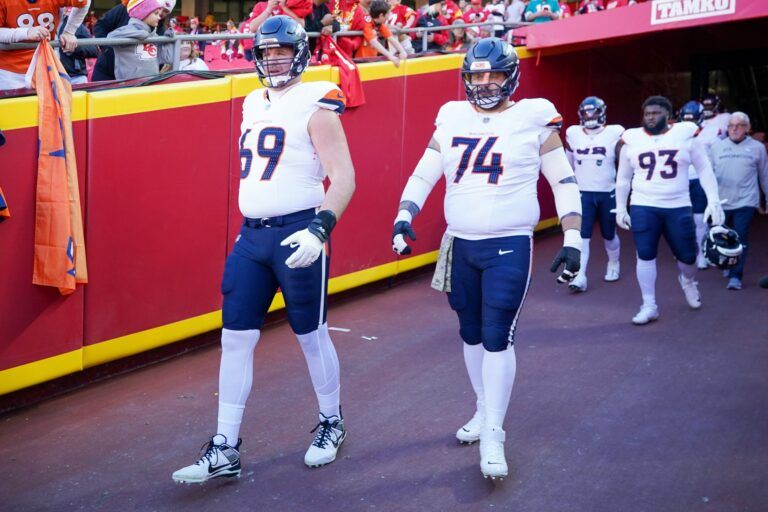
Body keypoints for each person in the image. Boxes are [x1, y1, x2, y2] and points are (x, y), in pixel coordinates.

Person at [172, 15, 355, 484]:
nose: (273, 59)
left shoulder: (317, 101)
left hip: (299, 233)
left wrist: (320, 229)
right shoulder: (252, 102)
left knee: (310, 334)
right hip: (252, 236)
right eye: (265, 52)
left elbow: (345, 178)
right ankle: (225, 448)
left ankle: (331, 423)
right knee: (234, 338)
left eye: (281, 51)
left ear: (299, 52)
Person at [391, 38, 582, 479]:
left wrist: (574, 239)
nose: (485, 82)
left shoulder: (535, 117)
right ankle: (483, 410)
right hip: (460, 243)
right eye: (477, 75)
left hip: (509, 243)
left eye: (494, 74)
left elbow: (564, 181)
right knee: (471, 332)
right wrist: (404, 214)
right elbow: (426, 170)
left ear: (511, 76)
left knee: (498, 334)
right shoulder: (452, 115)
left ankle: (494, 432)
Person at [614, 96, 725, 325]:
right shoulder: (632, 139)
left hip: (677, 205)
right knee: (644, 254)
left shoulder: (685, 135)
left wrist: (713, 200)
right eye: (647, 113)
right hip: (643, 205)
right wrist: (620, 208)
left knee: (688, 256)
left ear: (668, 115)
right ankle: (649, 304)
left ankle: (687, 280)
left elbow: (704, 170)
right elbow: (623, 179)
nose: (651, 117)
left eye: (656, 113)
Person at [565, 96, 624, 292]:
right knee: (583, 236)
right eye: (586, 112)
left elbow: (625, 162)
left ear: (602, 112)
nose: (590, 116)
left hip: (607, 192)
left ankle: (614, 263)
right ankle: (580, 275)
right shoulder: (573, 133)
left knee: (609, 234)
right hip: (584, 193)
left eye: (594, 112)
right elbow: (568, 164)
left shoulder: (615, 132)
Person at [710, 112, 768, 290]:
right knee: (723, 237)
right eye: (731, 125)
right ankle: (728, 263)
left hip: (746, 201)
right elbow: (708, 175)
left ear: (748, 128)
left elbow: (764, 175)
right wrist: (709, 199)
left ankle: (736, 276)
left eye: (739, 125)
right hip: (721, 202)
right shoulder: (716, 147)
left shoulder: (757, 148)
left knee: (740, 236)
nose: (734, 128)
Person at [0, 0, 90, 90]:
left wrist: (69, 31)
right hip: (10, 71)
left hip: (46, 67)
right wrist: (26, 32)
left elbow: (84, 2)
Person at [678, 100, 711, 269]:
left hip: (699, 179)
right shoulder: (674, 132)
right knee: (682, 219)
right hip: (680, 179)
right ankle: (686, 252)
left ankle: (701, 254)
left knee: (700, 219)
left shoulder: (711, 132)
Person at [107, 0, 174, 80]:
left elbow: (167, 59)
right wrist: (140, 35)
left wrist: (168, 41)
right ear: (143, 13)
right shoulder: (126, 30)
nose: (159, 17)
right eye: (156, 13)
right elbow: (110, 37)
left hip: (150, 83)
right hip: (129, 85)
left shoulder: (154, 36)